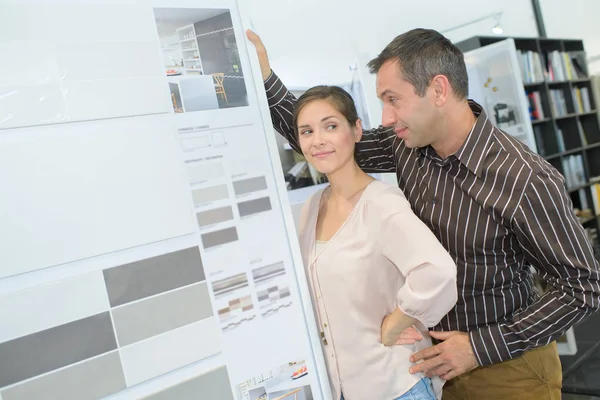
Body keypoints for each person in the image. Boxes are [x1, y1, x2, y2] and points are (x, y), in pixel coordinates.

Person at [246, 28, 600, 400]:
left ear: (439, 90)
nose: (385, 117)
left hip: (505, 368)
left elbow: (583, 287)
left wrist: (478, 347)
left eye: (392, 99)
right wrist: (266, 76)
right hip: (431, 362)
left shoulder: (524, 177)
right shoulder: (407, 146)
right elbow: (326, 140)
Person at [290, 84, 457, 400]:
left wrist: (395, 324)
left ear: (356, 131)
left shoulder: (380, 203)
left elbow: (437, 272)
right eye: (307, 131)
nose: (318, 140)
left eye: (330, 126)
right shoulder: (311, 208)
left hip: (395, 385)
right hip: (344, 388)